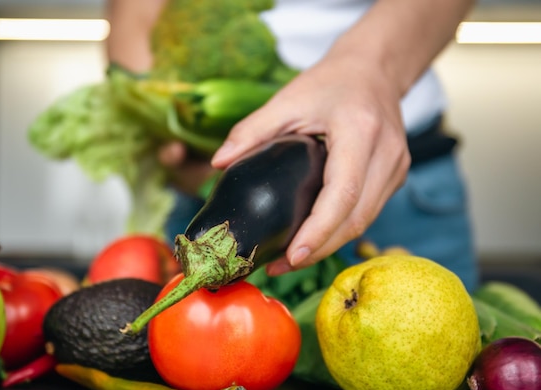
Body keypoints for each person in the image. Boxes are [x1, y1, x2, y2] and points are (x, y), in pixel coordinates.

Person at [105, 0, 479, 291]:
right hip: (207, 200)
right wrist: (154, 111)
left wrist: (371, 65)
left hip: (397, 186)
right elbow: (135, 15)